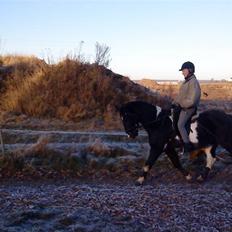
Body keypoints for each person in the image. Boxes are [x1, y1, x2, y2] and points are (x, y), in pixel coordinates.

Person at [173, 61, 201, 155]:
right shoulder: (187, 81)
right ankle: (178, 142)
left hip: (189, 108)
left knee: (180, 124)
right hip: (184, 106)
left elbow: (192, 100)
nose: (182, 72)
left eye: (184, 70)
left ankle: (187, 145)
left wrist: (181, 105)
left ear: (190, 70)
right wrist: (174, 103)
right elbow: (181, 96)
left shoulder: (193, 82)